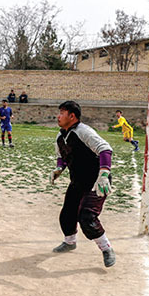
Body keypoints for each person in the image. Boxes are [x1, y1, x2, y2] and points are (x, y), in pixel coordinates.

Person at [49, 101, 115, 268]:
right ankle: (70, 242)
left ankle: (106, 249)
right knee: (67, 214)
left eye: (62, 113)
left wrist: (104, 174)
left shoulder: (83, 131)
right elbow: (62, 156)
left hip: (96, 181)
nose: (58, 116)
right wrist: (59, 168)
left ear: (72, 116)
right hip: (78, 181)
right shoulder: (61, 136)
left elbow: (105, 149)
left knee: (87, 216)